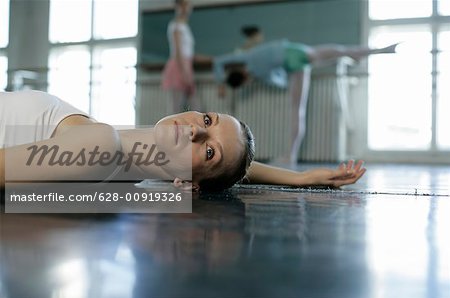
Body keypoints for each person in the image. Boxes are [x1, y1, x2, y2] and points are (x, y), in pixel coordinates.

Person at [0, 90, 366, 192]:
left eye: (208, 150)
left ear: (191, 183)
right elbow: (234, 168)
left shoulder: (101, 146)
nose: (194, 129)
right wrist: (299, 177)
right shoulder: (108, 141)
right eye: (208, 120)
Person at [214, 38, 398, 164]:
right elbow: (220, 62)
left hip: (296, 61)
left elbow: (218, 62)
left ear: (243, 79)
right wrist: (223, 80)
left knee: (297, 110)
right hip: (296, 51)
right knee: (341, 51)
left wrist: (222, 82)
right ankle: (379, 50)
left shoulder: (254, 66)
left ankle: (290, 155)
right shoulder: (251, 61)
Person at [161, 0, 201, 113]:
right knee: (176, 107)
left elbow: (188, 52)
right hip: (179, 66)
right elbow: (178, 51)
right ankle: (170, 129)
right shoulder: (176, 25)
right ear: (177, 7)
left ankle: (200, 129)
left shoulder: (184, 26)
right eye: (182, 5)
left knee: (194, 105)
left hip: (186, 65)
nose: (185, 8)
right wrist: (184, 72)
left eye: (187, 5)